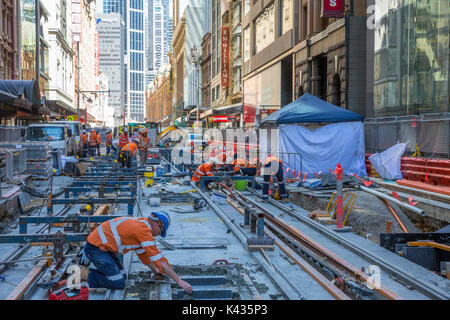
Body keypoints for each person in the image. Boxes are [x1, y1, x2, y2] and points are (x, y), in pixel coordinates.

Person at [77, 212, 193, 293]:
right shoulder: (143, 230)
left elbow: (146, 258)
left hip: (104, 248)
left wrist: (157, 271)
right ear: (157, 224)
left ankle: (97, 268)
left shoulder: (142, 227)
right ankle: (92, 277)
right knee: (119, 283)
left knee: (122, 276)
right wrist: (179, 281)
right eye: (160, 231)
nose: (158, 235)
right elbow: (159, 259)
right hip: (97, 248)